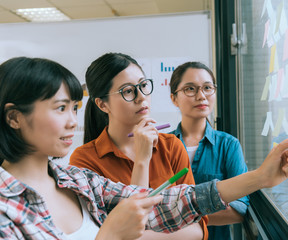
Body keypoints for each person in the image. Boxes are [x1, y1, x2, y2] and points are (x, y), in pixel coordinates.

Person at [0, 56, 288, 240]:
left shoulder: (73, 178)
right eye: (61, 109)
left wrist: (260, 178)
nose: (73, 122)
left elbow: (170, 202)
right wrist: (113, 236)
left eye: (74, 108)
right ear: (15, 117)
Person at [69, 52, 208, 239]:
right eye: (127, 91)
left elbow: (198, 229)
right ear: (102, 105)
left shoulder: (171, 146)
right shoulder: (84, 159)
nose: (141, 97)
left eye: (143, 85)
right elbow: (101, 233)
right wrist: (142, 160)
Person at [169, 61, 248, 240]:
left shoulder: (229, 145)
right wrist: (214, 209)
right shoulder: (162, 145)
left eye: (207, 87)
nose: (201, 95)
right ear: (174, 98)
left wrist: (178, 216)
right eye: (190, 89)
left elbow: (239, 209)